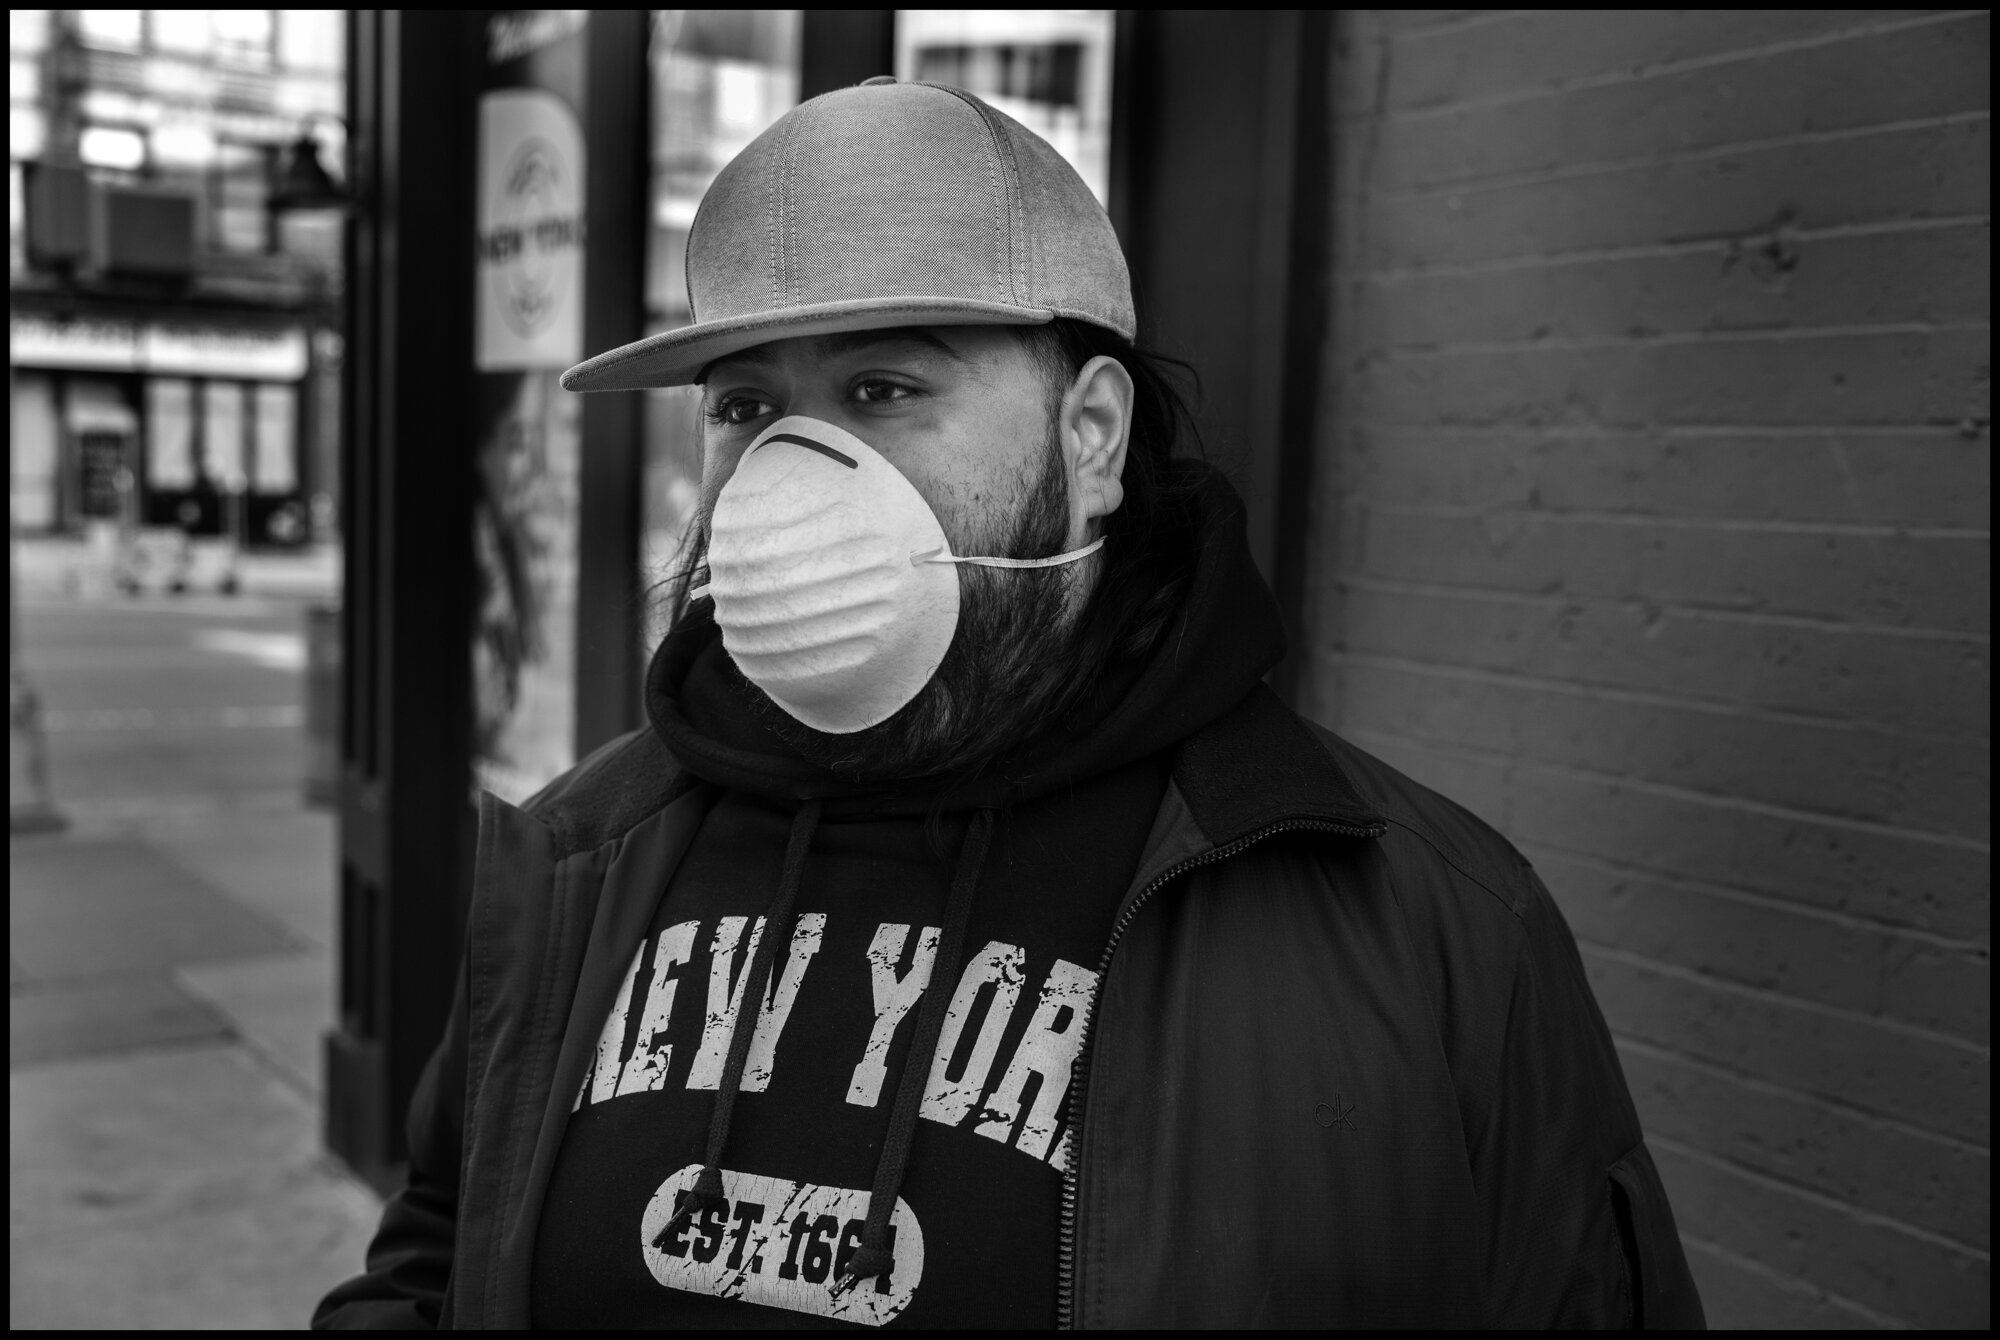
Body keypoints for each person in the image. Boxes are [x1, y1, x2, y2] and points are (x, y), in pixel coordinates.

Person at [314, 77, 1705, 1330]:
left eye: (883, 386)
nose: (793, 472)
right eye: (745, 406)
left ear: (1090, 437)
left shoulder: (1422, 928)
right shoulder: (583, 856)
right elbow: (444, 1248)